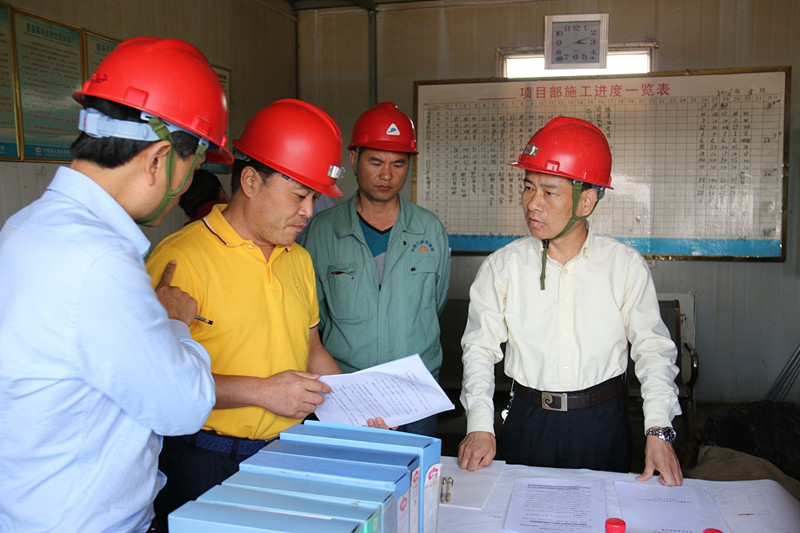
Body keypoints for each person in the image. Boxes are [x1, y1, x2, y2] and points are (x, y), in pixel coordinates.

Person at [0, 37, 230, 532]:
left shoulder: (25, 228)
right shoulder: (99, 261)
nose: (184, 191)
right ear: (159, 158)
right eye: (193, 169)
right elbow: (183, 407)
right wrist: (175, 324)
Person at [146, 99, 384, 529]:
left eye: (314, 197)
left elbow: (311, 348)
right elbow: (156, 383)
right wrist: (260, 392)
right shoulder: (181, 260)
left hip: (288, 454)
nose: (308, 211)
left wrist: (356, 406)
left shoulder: (299, 259)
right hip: (204, 460)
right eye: (299, 195)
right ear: (252, 181)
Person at [457, 117, 684, 486]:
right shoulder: (503, 267)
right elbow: (479, 349)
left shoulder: (624, 266)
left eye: (549, 192)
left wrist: (658, 429)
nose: (532, 203)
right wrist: (480, 424)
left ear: (587, 200)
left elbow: (653, 350)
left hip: (601, 424)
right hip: (527, 421)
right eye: (528, 187)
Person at [301, 102, 451, 437]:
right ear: (353, 160)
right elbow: (312, 317)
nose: (387, 175)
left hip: (415, 396)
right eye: (375, 162)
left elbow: (435, 303)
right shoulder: (323, 231)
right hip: (344, 391)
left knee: (414, 470)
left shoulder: (430, 230)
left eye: (398, 164)